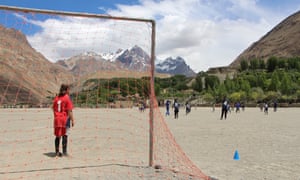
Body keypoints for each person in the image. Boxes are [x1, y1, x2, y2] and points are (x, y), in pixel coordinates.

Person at [52, 84, 75, 157]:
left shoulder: (56, 98)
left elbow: (53, 108)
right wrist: (72, 120)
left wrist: (56, 115)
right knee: (65, 135)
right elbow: (69, 111)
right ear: (67, 90)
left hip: (57, 119)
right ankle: (64, 152)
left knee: (58, 135)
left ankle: (57, 152)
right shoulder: (67, 98)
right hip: (65, 119)